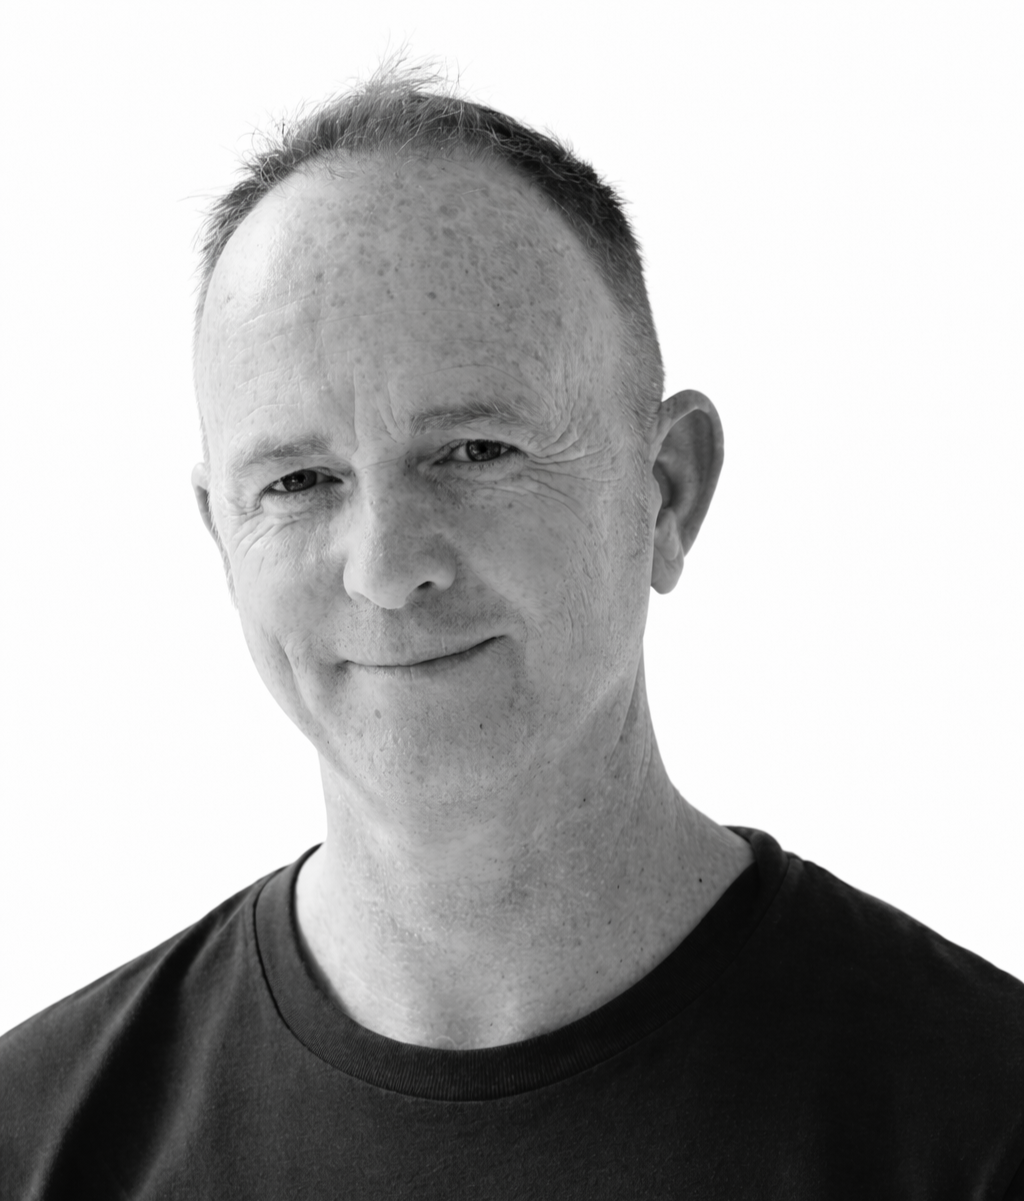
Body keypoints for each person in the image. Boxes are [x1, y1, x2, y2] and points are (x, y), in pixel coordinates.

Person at [2, 66, 1022, 1199]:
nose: (387, 567)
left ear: (667, 493)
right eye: (297, 481)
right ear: (221, 539)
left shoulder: (982, 1119)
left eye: (475, 451)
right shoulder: (35, 1141)